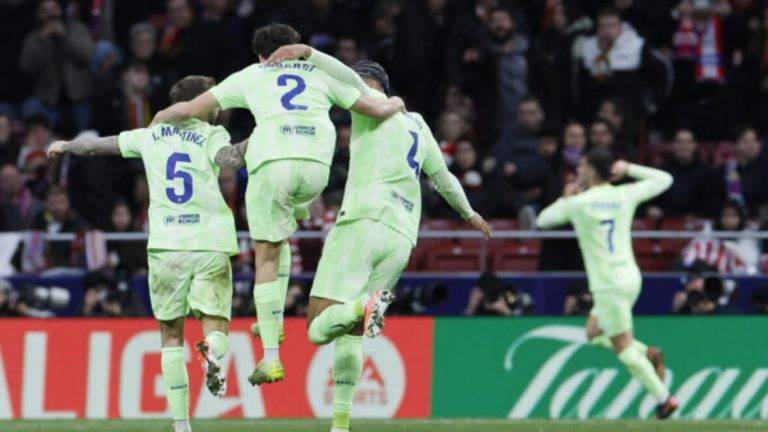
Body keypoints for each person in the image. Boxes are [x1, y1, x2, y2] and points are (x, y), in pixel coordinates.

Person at [151, 23, 405, 386]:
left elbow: (191, 108)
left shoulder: (251, 75)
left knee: (266, 253)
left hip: (274, 164)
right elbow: (372, 106)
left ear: (260, 54)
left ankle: (271, 353)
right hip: (317, 169)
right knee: (285, 225)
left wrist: (162, 118)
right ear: (296, 47)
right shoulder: (320, 72)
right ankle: (271, 317)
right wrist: (394, 102)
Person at [266, 43, 491, 432]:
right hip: (402, 237)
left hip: (363, 224)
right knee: (350, 334)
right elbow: (443, 178)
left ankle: (364, 305)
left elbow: (345, 77)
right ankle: (341, 425)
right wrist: (469, 213)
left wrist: (307, 54)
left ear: (372, 84)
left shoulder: (370, 103)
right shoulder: (418, 124)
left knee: (319, 327)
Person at [47, 75, 248, 432]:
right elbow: (230, 161)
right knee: (215, 323)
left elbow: (98, 147)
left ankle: (181, 425)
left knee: (171, 336)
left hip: (165, 246)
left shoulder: (150, 136)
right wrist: (262, 138)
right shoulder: (211, 134)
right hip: (209, 241)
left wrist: (65, 145)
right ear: (201, 105)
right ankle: (213, 352)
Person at [536, 148, 678, 419]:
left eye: (582, 166)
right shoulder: (624, 194)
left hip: (608, 284)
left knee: (622, 348)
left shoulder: (579, 203)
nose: (578, 170)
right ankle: (646, 352)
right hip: (629, 277)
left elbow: (543, 221)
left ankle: (664, 399)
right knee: (593, 333)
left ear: (591, 170)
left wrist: (567, 196)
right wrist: (629, 168)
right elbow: (665, 180)